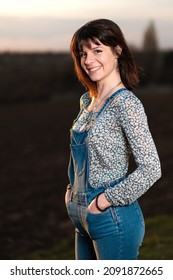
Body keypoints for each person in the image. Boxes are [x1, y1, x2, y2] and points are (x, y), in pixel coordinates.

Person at [65, 18, 161, 260]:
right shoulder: (87, 101)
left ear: (117, 51)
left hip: (112, 219)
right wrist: (71, 193)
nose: (88, 60)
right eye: (83, 53)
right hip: (81, 217)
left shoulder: (126, 105)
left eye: (97, 50)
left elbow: (151, 168)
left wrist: (103, 202)